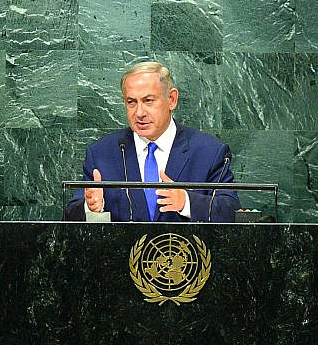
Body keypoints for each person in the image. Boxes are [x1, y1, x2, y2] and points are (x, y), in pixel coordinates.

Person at [66, 61, 239, 223]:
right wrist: (90, 208)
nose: (139, 112)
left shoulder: (209, 152)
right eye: (131, 102)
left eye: (148, 101)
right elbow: (69, 218)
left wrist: (186, 202)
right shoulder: (102, 153)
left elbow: (231, 212)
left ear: (172, 99)